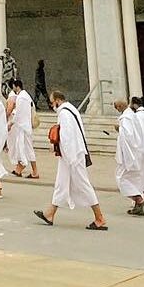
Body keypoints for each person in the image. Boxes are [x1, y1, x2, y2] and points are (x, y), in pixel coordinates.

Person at [34, 89, 107, 230]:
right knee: (61, 184)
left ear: (58, 100)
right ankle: (50, 214)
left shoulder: (64, 113)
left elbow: (66, 137)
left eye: (52, 102)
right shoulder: (71, 109)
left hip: (73, 156)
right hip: (72, 154)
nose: (51, 105)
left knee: (83, 185)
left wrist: (66, 155)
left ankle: (100, 218)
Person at [113, 99, 144, 216]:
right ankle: (138, 206)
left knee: (121, 178)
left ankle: (139, 199)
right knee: (134, 179)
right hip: (137, 152)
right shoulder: (133, 115)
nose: (117, 110)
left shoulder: (126, 118)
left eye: (116, 107)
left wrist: (119, 129)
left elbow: (128, 136)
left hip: (129, 154)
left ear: (120, 106)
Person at [9, 78, 39, 178]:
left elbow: (18, 113)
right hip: (25, 126)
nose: (13, 88)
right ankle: (19, 169)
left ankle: (34, 171)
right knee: (22, 149)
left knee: (26, 149)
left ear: (17, 86)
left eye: (13, 86)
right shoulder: (26, 96)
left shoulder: (21, 98)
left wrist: (11, 123)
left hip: (23, 127)